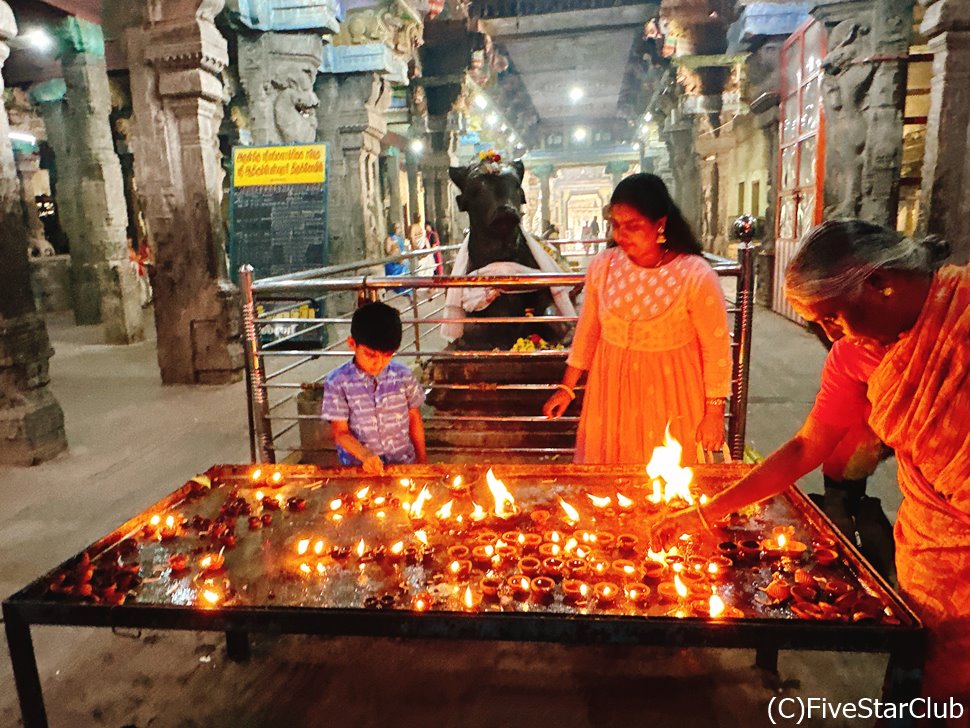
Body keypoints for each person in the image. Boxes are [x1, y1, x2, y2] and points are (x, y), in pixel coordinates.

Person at [651, 219, 969, 701]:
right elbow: (805, 447)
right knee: (934, 674)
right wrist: (705, 512)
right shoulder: (852, 356)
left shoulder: (959, 318)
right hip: (937, 544)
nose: (830, 334)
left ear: (881, 284)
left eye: (833, 317)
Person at [543, 173, 732, 464]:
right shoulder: (603, 267)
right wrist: (566, 388)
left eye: (633, 226)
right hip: (610, 394)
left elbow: (716, 349)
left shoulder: (694, 275)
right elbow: (588, 332)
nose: (621, 236)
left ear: (661, 224)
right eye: (616, 226)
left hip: (672, 396)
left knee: (667, 485)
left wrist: (714, 413)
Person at [321, 301, 427, 475]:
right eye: (370, 355)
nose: (378, 363)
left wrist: (422, 461)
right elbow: (340, 433)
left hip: (402, 465)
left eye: (387, 355)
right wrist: (365, 455)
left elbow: (414, 418)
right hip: (359, 469)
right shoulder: (338, 382)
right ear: (352, 344)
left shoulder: (403, 376)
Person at [384, 222, 410, 295]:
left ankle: (411, 297)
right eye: (396, 228)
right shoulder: (389, 239)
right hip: (394, 263)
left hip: (402, 262)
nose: (397, 229)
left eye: (399, 227)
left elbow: (403, 248)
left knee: (407, 280)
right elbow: (388, 251)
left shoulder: (400, 238)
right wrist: (394, 248)